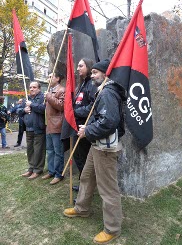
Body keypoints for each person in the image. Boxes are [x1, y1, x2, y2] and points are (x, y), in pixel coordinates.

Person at [63, 59, 126, 245]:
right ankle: (82, 208)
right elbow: (95, 113)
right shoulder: (102, 91)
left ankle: (112, 229)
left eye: (96, 73)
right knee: (87, 177)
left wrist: (87, 131)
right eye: (92, 73)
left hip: (106, 148)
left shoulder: (107, 92)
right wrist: (85, 123)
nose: (92, 75)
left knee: (108, 190)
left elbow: (109, 121)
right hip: (97, 145)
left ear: (106, 74)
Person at [61, 58, 97, 191]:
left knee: (84, 159)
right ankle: (84, 185)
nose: (77, 68)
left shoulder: (92, 85)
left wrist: (75, 112)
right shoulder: (82, 84)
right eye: (77, 66)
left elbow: (94, 106)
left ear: (88, 67)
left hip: (85, 128)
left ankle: (87, 188)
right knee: (78, 157)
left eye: (81, 66)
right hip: (76, 127)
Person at [19, 81, 46, 180]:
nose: (31, 89)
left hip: (38, 128)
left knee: (38, 150)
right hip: (28, 129)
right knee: (30, 149)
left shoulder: (43, 97)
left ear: (39, 88)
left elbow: (43, 109)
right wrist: (24, 110)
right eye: (30, 87)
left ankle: (37, 170)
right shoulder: (27, 98)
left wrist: (32, 105)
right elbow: (19, 111)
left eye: (34, 87)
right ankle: (31, 168)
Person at [42, 72, 65, 185]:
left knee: (58, 151)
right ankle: (51, 171)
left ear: (58, 78)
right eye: (48, 77)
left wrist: (49, 97)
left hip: (57, 125)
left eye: (51, 77)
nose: (49, 79)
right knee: (50, 151)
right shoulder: (50, 91)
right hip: (49, 125)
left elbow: (61, 106)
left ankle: (58, 174)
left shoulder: (62, 90)